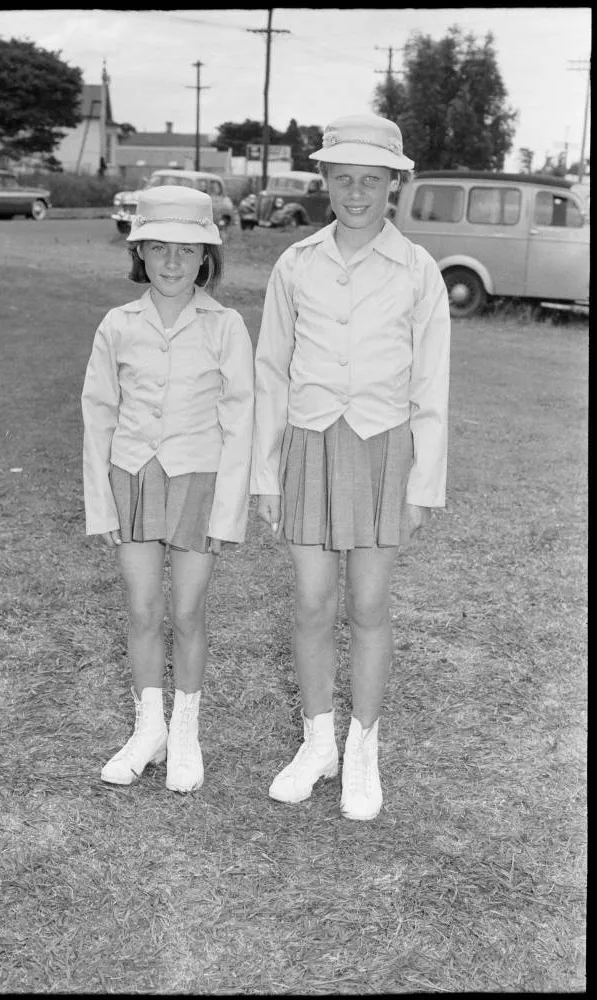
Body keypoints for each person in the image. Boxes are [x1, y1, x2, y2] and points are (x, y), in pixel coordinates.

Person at [251, 113, 451, 822]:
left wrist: (421, 487)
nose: (357, 192)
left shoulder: (417, 270)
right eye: (344, 179)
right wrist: (264, 473)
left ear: (393, 185)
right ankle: (317, 744)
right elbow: (270, 371)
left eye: (372, 180)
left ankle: (362, 748)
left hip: (381, 448)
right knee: (310, 603)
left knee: (366, 606)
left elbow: (430, 384)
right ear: (325, 183)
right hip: (308, 442)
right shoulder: (296, 262)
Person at [82, 185, 254, 793]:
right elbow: (98, 413)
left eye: (187, 250)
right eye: (160, 249)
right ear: (141, 254)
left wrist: (229, 512)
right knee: (143, 610)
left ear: (206, 257)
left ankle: (185, 732)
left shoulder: (225, 325)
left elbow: (241, 420)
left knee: (186, 612)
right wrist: (100, 501)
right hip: (132, 477)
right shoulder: (118, 325)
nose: (173, 263)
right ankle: (148, 726)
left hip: (198, 480)